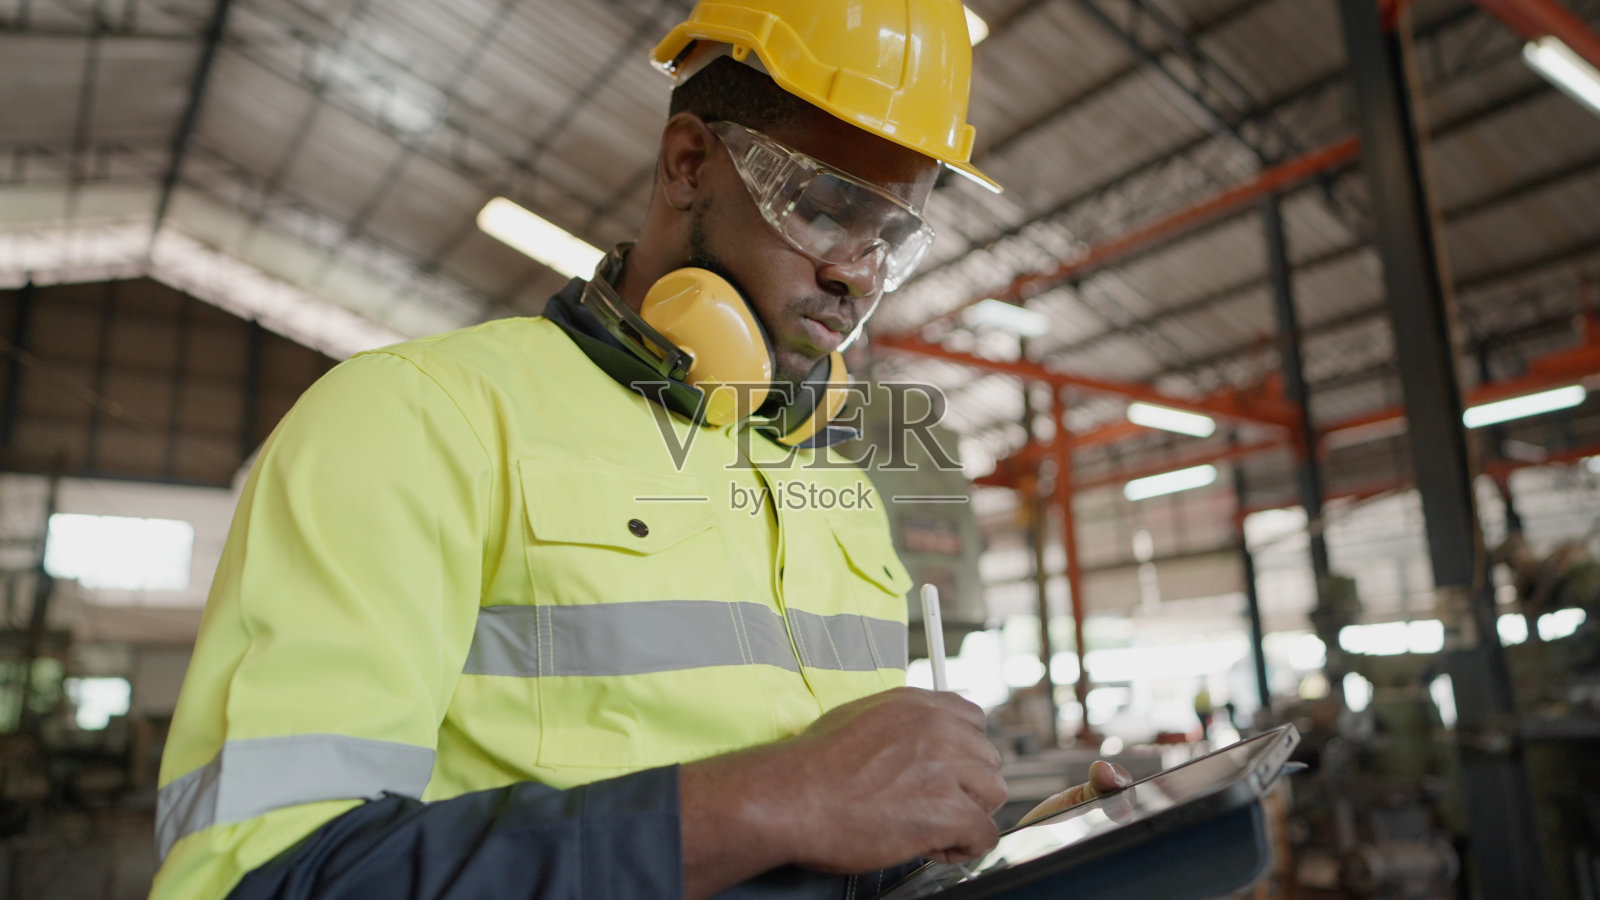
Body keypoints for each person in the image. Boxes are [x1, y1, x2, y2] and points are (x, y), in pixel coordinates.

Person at [150, 3, 1128, 898]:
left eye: (891, 236)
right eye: (826, 206)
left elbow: (839, 849)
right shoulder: (417, 420)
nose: (853, 274)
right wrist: (769, 797)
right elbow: (266, 875)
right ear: (688, 164)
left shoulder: (838, 490)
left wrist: (1012, 865)